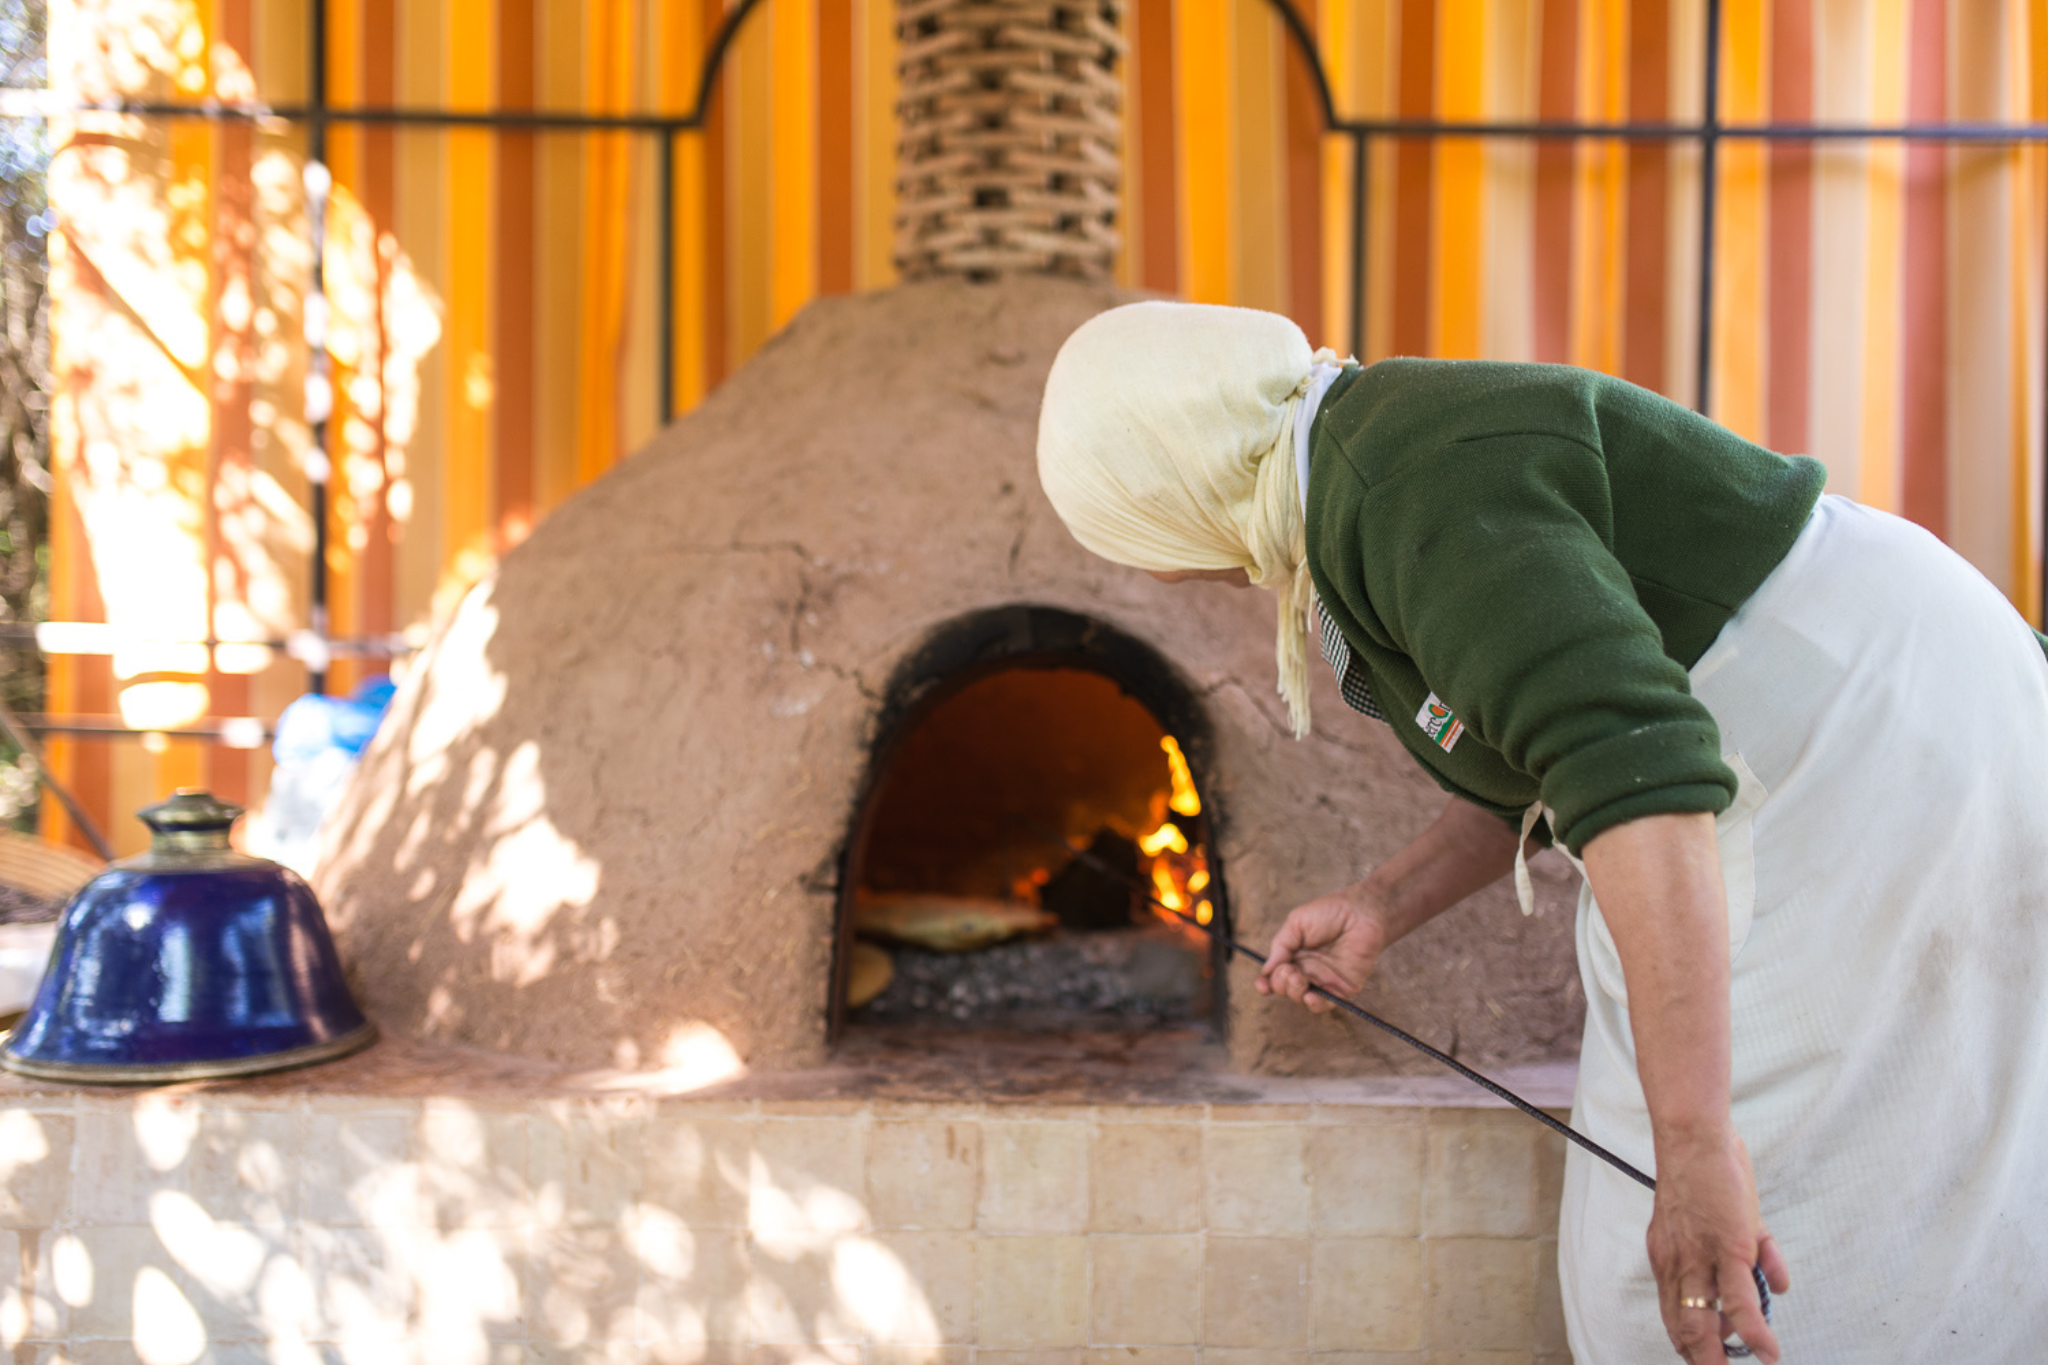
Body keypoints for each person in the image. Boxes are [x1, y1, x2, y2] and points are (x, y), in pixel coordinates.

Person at [1035, 300, 2048, 1365]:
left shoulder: (1402, 491)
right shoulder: (1357, 470)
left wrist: (1695, 1152)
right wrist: (1384, 901)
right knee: (1658, 1241)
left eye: (1125, 531)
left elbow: (1628, 770)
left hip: (1857, 740)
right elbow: (1543, 747)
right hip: (1804, 734)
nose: (1149, 571)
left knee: (1794, 1224)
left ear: (1165, 486)